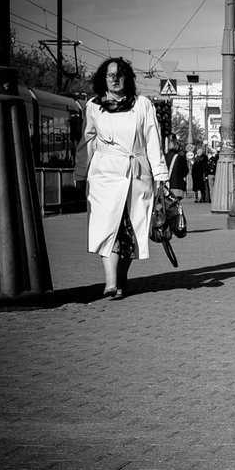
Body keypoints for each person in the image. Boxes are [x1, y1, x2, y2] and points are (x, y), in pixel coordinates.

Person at [75, 57, 169, 300]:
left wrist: (160, 175)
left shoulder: (142, 105)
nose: (115, 79)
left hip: (137, 174)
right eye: (110, 75)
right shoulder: (94, 107)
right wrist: (80, 173)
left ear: (127, 77)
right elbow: (87, 141)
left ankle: (121, 278)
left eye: (119, 74)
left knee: (130, 231)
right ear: (103, 79)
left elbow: (153, 140)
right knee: (108, 227)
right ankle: (110, 281)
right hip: (104, 175)